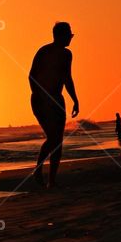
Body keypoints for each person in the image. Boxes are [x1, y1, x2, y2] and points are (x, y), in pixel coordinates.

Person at [28, 22, 80, 187]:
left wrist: (75, 100)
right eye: (69, 35)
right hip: (41, 100)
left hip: (57, 100)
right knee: (53, 138)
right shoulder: (44, 51)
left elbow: (67, 79)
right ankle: (38, 170)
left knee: (58, 140)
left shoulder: (67, 55)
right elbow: (31, 76)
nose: (71, 38)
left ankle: (52, 180)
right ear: (60, 35)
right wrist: (41, 96)